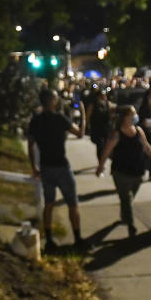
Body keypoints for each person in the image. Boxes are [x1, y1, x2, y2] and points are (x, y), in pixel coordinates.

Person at [27, 88, 87, 252]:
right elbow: (80, 133)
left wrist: (34, 166)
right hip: (61, 166)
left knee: (49, 204)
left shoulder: (35, 120)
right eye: (56, 98)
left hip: (46, 168)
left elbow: (30, 145)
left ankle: (50, 240)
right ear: (52, 101)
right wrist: (82, 112)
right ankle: (78, 238)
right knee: (72, 204)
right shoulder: (59, 118)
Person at [96, 105, 151, 238]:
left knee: (129, 198)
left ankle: (124, 214)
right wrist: (101, 166)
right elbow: (107, 150)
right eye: (131, 115)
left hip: (137, 172)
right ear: (124, 117)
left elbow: (146, 146)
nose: (135, 117)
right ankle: (131, 225)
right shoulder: (117, 133)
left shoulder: (138, 130)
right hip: (121, 172)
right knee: (126, 198)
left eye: (135, 114)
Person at [87, 87, 112, 165]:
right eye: (102, 95)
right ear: (98, 96)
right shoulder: (93, 104)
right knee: (100, 146)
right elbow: (88, 115)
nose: (104, 97)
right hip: (97, 128)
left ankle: (103, 160)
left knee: (105, 146)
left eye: (105, 95)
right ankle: (101, 162)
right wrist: (87, 126)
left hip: (106, 128)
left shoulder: (108, 103)